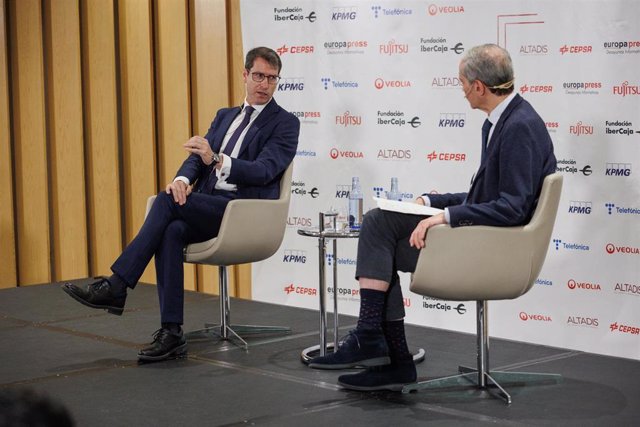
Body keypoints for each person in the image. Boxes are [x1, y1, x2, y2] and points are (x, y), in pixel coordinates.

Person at [308, 44, 556, 391]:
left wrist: (445, 217)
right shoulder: (504, 121)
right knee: (382, 222)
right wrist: (432, 201)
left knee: (382, 234)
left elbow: (512, 207)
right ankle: (384, 348)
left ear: (479, 87)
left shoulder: (518, 126)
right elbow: (486, 197)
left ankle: (380, 345)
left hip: (496, 251)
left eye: (463, 83)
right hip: (485, 240)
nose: (462, 91)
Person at [62, 47, 299, 362]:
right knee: (171, 227)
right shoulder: (224, 116)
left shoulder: (285, 123)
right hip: (209, 205)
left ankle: (117, 285)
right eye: (258, 76)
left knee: (166, 204)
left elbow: (264, 170)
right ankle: (172, 332)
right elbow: (195, 161)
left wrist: (215, 158)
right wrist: (182, 182)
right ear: (244, 75)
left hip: (243, 211)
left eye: (272, 79)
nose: (265, 84)